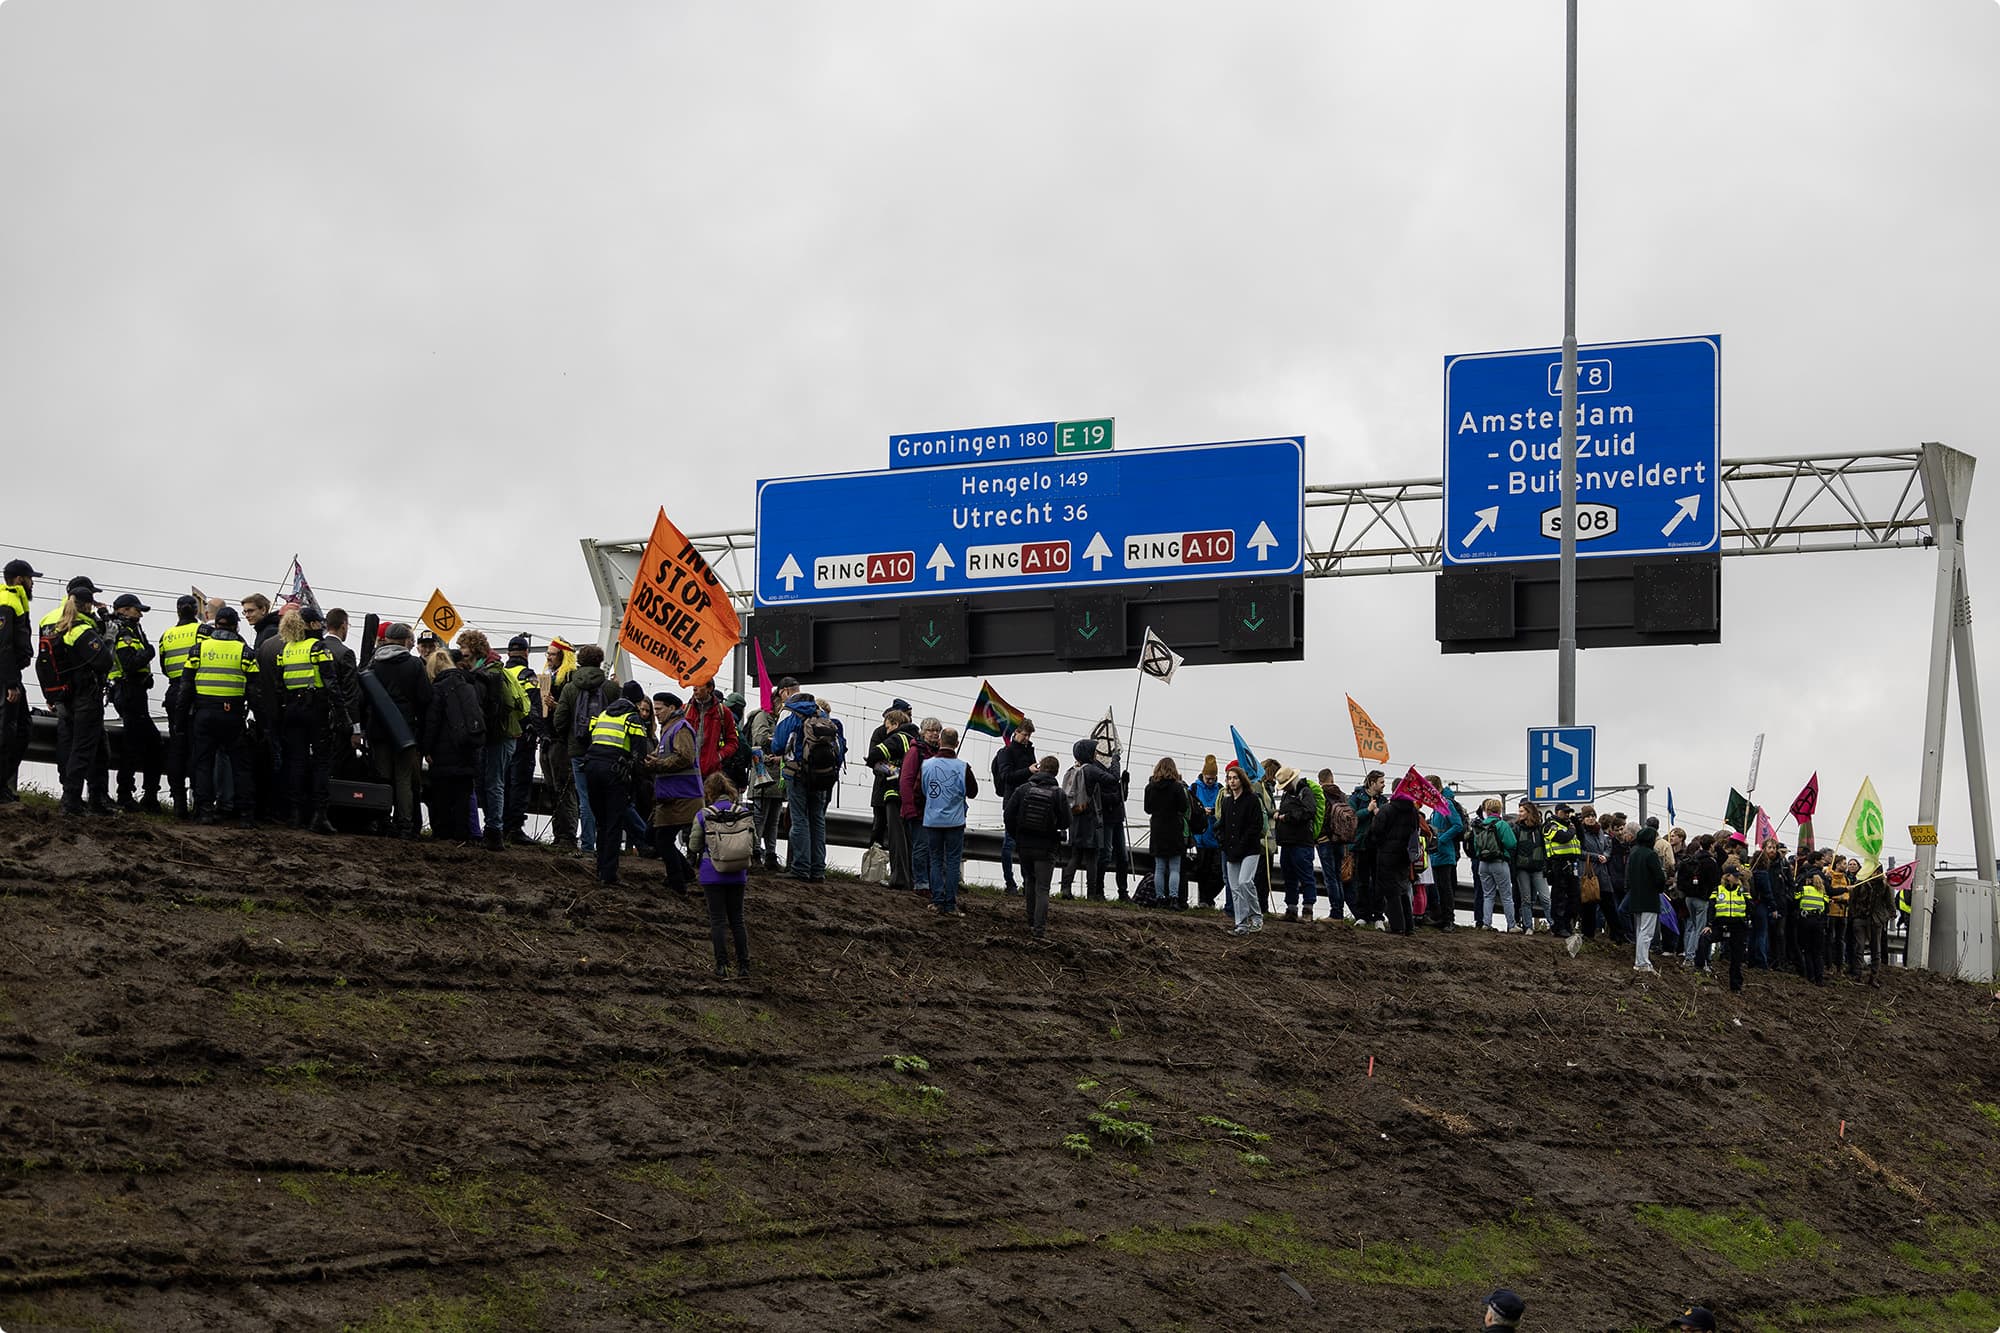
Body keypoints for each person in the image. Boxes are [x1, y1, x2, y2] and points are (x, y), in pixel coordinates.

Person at [41, 577, 116, 816]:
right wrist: (109, 637)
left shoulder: (51, 620)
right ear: (86, 604)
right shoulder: (81, 628)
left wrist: (51, 693)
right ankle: (75, 800)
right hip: (85, 694)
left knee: (70, 744)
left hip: (62, 693)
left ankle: (73, 795)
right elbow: (103, 661)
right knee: (86, 748)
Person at [181, 604, 257, 826]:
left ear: (215, 624)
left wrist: (181, 716)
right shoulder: (245, 652)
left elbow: (186, 687)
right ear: (236, 626)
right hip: (232, 715)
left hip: (204, 713)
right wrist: (260, 719)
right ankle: (245, 815)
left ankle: (204, 811)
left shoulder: (198, 649)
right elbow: (254, 690)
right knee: (240, 765)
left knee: (203, 763)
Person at [571, 674, 645, 883]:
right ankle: (609, 874)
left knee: (601, 822)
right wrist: (636, 782)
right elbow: (639, 753)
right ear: (637, 701)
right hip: (615, 773)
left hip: (592, 769)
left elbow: (585, 737)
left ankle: (599, 869)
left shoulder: (603, 714)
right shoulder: (632, 718)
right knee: (614, 823)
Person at [274, 608, 342, 833]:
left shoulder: (287, 649)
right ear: (312, 625)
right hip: (316, 709)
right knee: (321, 763)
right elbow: (331, 682)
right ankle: (319, 816)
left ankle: (294, 814)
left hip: (292, 709)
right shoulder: (318, 647)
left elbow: (279, 683)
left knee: (296, 762)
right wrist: (341, 714)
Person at [772, 689, 844, 882]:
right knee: (818, 819)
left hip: (797, 773)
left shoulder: (789, 713)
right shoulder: (821, 713)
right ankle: (818, 870)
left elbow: (778, 746)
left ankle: (801, 868)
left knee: (799, 819)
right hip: (822, 775)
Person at [551, 643, 615, 854]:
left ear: (579, 662)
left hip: (578, 751)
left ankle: (588, 845)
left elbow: (559, 721)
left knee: (585, 799)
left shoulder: (570, 687)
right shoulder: (611, 689)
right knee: (607, 799)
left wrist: (568, 738)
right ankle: (607, 844)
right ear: (600, 662)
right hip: (605, 751)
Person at [688, 771, 752, 977]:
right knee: (737, 920)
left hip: (712, 872)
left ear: (710, 792)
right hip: (738, 872)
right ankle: (744, 966)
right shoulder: (742, 812)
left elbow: (694, 845)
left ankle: (721, 965)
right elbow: (754, 842)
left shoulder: (704, 815)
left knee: (717, 920)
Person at [455, 629, 513, 851]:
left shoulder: (488, 674)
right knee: (487, 783)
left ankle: (494, 831)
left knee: (494, 782)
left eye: (467, 656)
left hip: (498, 735)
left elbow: (490, 709)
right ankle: (492, 827)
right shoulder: (488, 670)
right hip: (494, 735)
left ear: (477, 652)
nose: (464, 660)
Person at [106, 592, 164, 813]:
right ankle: (127, 795)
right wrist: (148, 653)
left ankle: (145, 795)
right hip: (128, 691)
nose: (140, 614)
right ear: (123, 610)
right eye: (136, 609)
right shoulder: (124, 632)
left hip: (133, 691)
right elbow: (129, 663)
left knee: (147, 743)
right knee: (140, 744)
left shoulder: (131, 629)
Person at [422, 649, 484, 843]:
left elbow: (432, 722)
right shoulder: (468, 685)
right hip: (468, 749)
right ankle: (463, 835)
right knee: (463, 796)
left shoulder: (438, 688)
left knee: (442, 796)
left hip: (444, 752)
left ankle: (444, 835)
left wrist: (426, 749)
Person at [1005, 754, 1070, 939]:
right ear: (1056, 772)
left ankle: (1030, 922)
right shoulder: (1058, 794)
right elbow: (1066, 821)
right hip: (1046, 847)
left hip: (1024, 845)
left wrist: (1016, 836)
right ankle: (1039, 931)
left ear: (1040, 768)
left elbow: (1009, 815)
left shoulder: (1023, 789)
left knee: (1030, 882)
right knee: (1043, 888)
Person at [919, 726, 976, 917]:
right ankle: (950, 904)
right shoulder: (962, 766)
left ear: (940, 742)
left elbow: (920, 790)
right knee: (952, 862)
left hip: (932, 820)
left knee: (935, 860)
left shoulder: (926, 765)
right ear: (957, 744)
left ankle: (937, 901)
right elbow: (973, 792)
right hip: (955, 821)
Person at [647, 692, 699, 896]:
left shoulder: (681, 728)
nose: (656, 713)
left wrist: (657, 764)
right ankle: (684, 874)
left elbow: (685, 757)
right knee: (657, 837)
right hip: (672, 793)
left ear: (671, 708)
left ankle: (678, 883)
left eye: (659, 709)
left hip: (683, 794)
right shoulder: (670, 729)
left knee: (662, 839)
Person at [0, 559, 39, 805]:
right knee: (6, 732)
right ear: (19, 579)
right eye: (30, 578)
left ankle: (2, 784)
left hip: (12, 675)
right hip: (6, 677)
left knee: (23, 729)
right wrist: (11, 683)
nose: (33, 582)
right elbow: (3, 646)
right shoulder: (7, 603)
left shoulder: (16, 602)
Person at [1060, 738, 1118, 902]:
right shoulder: (1091, 770)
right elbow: (1112, 780)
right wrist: (1115, 762)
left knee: (1076, 855)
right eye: (1094, 751)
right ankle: (1091, 894)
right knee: (1092, 857)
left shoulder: (1073, 769)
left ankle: (1065, 888)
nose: (1096, 754)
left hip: (1074, 817)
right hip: (1090, 818)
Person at [744, 679, 791, 870]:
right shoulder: (763, 716)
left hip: (777, 778)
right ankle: (755, 852)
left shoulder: (780, 719)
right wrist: (780, 741)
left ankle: (770, 854)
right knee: (760, 817)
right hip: (763, 777)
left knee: (773, 820)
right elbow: (760, 739)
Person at [870, 708, 918, 892]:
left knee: (896, 837)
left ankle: (898, 879)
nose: (886, 730)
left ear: (895, 724)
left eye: (887, 726)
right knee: (909, 838)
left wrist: (886, 767)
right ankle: (911, 878)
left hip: (894, 792)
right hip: (913, 795)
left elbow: (875, 754)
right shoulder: (917, 739)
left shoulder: (898, 738)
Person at [1217, 762, 1266, 935]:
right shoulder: (1227, 802)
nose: (1232, 781)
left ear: (1242, 780)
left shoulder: (1252, 800)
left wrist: (1241, 844)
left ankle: (1256, 916)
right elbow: (1222, 824)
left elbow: (1256, 826)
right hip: (1231, 851)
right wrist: (1222, 841)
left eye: (1235, 778)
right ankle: (1241, 924)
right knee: (1235, 889)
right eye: (1229, 778)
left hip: (1250, 850)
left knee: (1245, 882)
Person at [501, 635, 541, 844]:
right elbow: (534, 706)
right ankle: (514, 828)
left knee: (502, 781)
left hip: (503, 734)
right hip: (523, 736)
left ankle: (498, 823)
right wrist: (538, 732)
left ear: (508, 653)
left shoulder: (503, 672)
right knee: (520, 782)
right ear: (526, 653)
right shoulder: (527, 675)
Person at [540, 637, 578, 851]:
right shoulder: (549, 677)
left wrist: (555, 706)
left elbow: (571, 713)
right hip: (547, 738)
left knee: (564, 787)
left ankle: (568, 835)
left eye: (553, 654)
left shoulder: (569, 680)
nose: (548, 657)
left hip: (561, 741)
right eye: (548, 653)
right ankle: (558, 834)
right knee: (552, 788)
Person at [992, 718, 1037, 894]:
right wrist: (1029, 771)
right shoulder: (1006, 752)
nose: (1026, 738)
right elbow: (1006, 776)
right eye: (1024, 734)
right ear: (1016, 732)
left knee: (1026, 845)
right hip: (1012, 802)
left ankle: (1027, 883)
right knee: (1009, 844)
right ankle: (1010, 882)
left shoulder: (1029, 751)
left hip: (1029, 801)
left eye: (1029, 735)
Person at [901, 716, 943, 897]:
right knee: (921, 846)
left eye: (937, 731)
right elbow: (906, 780)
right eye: (931, 730)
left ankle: (932, 883)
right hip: (919, 808)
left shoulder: (940, 753)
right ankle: (921, 883)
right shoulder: (915, 752)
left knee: (933, 847)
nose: (934, 734)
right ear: (923, 732)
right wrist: (909, 807)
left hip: (936, 809)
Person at [1143, 756, 1190, 910]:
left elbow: (1147, 809)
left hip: (1157, 829)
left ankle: (1159, 897)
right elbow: (1183, 807)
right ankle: (1174, 898)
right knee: (1175, 867)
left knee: (1160, 867)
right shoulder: (1177, 787)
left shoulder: (1150, 787)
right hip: (1174, 829)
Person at [1272, 766, 1318, 921]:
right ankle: (1291, 908)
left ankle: (1308, 909)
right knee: (1289, 876)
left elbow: (1310, 812)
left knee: (1306, 875)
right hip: (1287, 843)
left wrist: (1288, 817)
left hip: (1302, 843)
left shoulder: (1305, 792)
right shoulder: (1287, 794)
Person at [1470, 798, 1519, 932]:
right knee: (1506, 896)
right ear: (1500, 810)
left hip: (1483, 864)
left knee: (1488, 895)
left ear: (1486, 810)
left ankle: (1486, 923)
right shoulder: (1502, 824)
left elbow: (1475, 846)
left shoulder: (1479, 826)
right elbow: (1512, 843)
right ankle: (1511, 925)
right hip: (1499, 862)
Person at [1626, 824, 1668, 973]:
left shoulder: (1634, 853)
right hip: (1649, 897)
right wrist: (1660, 888)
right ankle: (1642, 962)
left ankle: (1639, 960)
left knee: (1639, 930)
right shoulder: (1651, 855)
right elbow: (1659, 877)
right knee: (1647, 931)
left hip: (1635, 896)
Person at [1314, 769, 1354, 921]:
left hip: (1325, 841)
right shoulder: (1342, 795)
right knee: (1338, 875)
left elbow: (1320, 817)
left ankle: (1335, 912)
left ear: (1320, 781)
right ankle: (1340, 911)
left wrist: (1318, 836)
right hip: (1340, 841)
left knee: (1330, 877)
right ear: (1332, 779)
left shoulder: (1320, 794)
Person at [685, 676, 741, 781]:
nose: (694, 688)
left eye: (699, 685)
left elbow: (733, 742)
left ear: (709, 689)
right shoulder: (685, 710)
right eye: (693, 685)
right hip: (687, 773)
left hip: (711, 774)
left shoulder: (723, 712)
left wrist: (718, 756)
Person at [1707, 863, 1751, 993]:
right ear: (1727, 876)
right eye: (1735, 876)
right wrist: (1709, 924)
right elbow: (1711, 907)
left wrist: (1746, 919)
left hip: (1738, 927)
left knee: (1737, 958)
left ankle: (1736, 986)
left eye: (1739, 876)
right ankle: (1701, 967)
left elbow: (1750, 907)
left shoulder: (1742, 890)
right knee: (1705, 940)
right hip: (1721, 925)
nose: (1738, 878)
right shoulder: (1718, 889)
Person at [1348, 770, 1385, 923]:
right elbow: (1351, 817)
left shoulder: (1383, 801)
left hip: (1378, 846)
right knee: (1361, 882)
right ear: (1372, 783)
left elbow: (1388, 822)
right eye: (1381, 782)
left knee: (1378, 882)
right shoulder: (1356, 798)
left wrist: (1380, 813)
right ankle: (1362, 915)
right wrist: (1367, 810)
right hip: (1360, 845)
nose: (1384, 785)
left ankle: (1378, 915)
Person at [1190, 757, 1225, 912]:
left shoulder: (1221, 789)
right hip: (1201, 837)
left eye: (1213, 778)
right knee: (1202, 871)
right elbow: (1189, 808)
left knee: (1219, 872)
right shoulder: (1195, 788)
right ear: (1203, 775)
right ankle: (1204, 902)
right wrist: (1201, 811)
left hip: (1216, 837)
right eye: (1207, 778)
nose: (1210, 781)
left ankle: (1207, 898)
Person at [1427, 778, 1463, 929]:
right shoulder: (1436, 806)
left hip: (1445, 852)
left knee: (1445, 887)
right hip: (1436, 852)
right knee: (1439, 887)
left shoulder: (1445, 803)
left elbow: (1457, 825)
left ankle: (1449, 920)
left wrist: (1441, 839)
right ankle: (1442, 917)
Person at [1512, 800, 1551, 935]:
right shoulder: (1516, 828)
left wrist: (1546, 865)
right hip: (1522, 868)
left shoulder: (1540, 828)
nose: (1520, 814)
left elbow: (1546, 848)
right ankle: (1528, 926)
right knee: (1526, 899)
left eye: (1522, 811)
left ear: (1529, 813)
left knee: (1545, 898)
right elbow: (1513, 849)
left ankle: (1553, 924)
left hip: (1538, 868)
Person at [1794, 862, 1829, 986]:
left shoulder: (1804, 889)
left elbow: (1795, 898)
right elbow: (1827, 904)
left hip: (1806, 920)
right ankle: (1820, 978)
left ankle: (1810, 976)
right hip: (1819, 921)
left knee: (1807, 950)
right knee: (1818, 952)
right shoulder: (1822, 893)